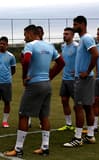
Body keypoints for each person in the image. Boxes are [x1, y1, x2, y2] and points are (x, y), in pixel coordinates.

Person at [4, 24, 65, 157]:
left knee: (23, 115)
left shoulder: (30, 45)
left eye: (25, 34)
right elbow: (61, 63)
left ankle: (18, 149)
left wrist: (24, 77)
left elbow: (26, 60)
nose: (25, 37)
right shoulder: (50, 46)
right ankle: (45, 147)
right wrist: (50, 76)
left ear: (31, 34)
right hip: (46, 85)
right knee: (44, 116)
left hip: (34, 85)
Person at [63, 15, 99, 147]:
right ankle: (90, 135)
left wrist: (86, 71)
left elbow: (96, 54)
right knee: (88, 107)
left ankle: (78, 138)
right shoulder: (84, 39)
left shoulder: (87, 38)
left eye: (75, 24)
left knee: (78, 107)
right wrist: (78, 70)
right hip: (83, 77)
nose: (73, 27)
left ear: (82, 24)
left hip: (84, 79)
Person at [57, 27, 78, 131]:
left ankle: (80, 125)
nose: (64, 35)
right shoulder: (63, 46)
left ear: (73, 35)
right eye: (64, 33)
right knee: (64, 100)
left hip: (74, 79)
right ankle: (68, 124)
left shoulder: (76, 46)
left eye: (67, 34)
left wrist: (78, 70)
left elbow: (84, 58)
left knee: (78, 103)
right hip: (65, 78)